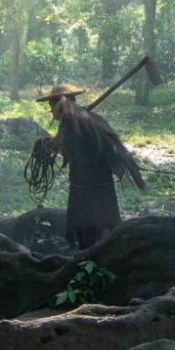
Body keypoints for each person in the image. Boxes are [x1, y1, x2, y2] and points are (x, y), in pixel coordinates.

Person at [32, 83, 145, 250]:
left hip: (89, 188)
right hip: (91, 185)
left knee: (93, 233)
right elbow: (67, 144)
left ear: (57, 104)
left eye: (51, 106)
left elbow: (71, 146)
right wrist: (50, 144)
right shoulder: (78, 121)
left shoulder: (76, 123)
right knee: (97, 232)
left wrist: (51, 146)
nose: (50, 111)